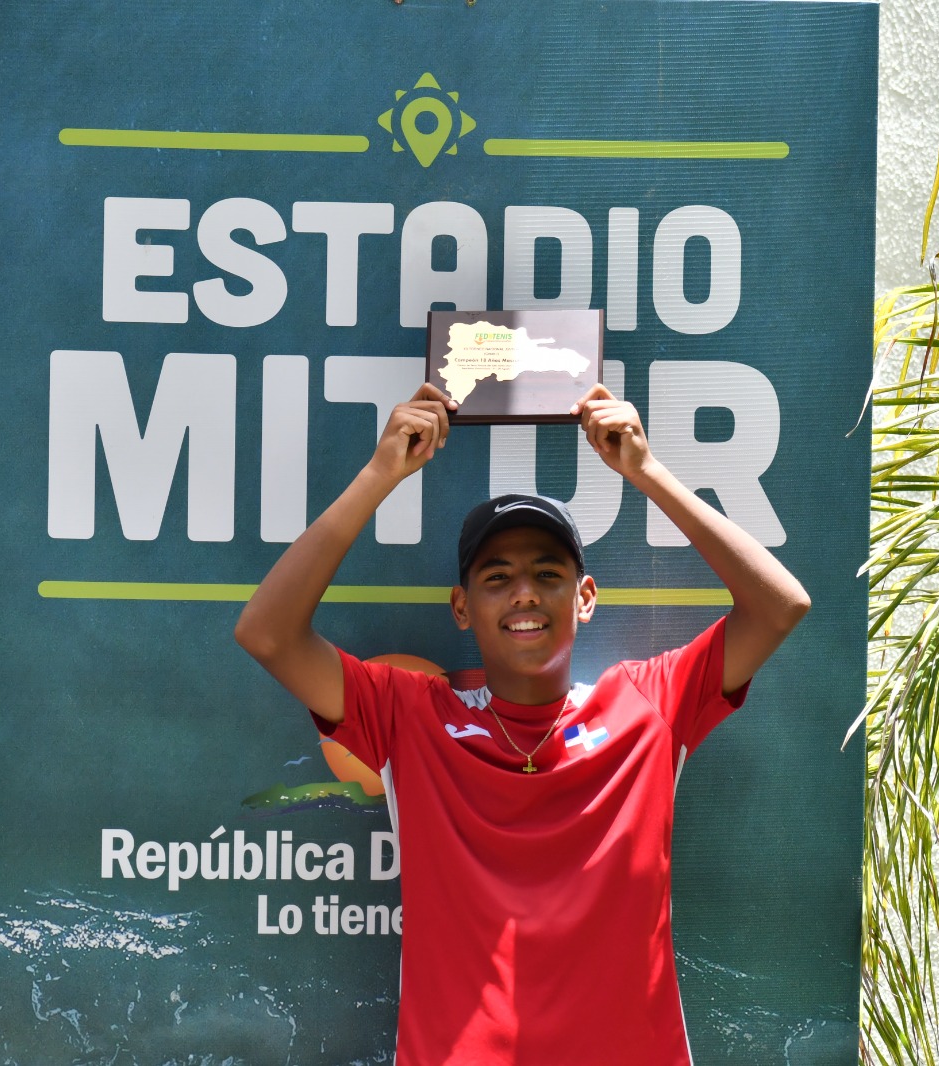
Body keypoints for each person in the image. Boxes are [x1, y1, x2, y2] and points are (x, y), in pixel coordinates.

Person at [234, 381, 810, 1065]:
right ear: (462, 607)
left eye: (548, 573)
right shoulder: (409, 716)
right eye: (497, 577)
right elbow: (268, 633)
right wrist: (380, 473)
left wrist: (646, 471)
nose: (525, 593)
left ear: (585, 597)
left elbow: (780, 605)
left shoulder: (648, 705)